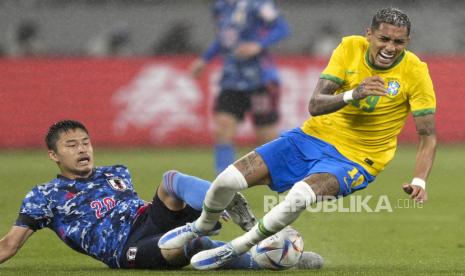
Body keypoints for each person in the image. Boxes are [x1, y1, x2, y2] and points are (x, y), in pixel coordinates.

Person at [159, 7, 437, 270]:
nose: (390, 47)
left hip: (358, 158)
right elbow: (315, 105)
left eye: (399, 42)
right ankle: (202, 226)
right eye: (384, 39)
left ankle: (235, 248)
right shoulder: (351, 47)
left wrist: (419, 180)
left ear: (407, 41)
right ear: (369, 34)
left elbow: (427, 136)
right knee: (227, 180)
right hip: (310, 137)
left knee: (300, 195)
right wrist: (355, 93)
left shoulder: (415, 72)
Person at [0, 120, 321, 270]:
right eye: (71, 146)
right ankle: (269, 257)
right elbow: (9, 245)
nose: (82, 149)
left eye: (85, 142)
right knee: (191, 246)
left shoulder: (115, 172)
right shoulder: (43, 196)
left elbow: (143, 205)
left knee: (170, 180)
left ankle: (228, 214)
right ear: (53, 156)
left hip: (148, 217)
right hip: (126, 248)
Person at [190, 0, 290, 175]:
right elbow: (224, 38)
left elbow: (282, 28)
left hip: (260, 80)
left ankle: (283, 170)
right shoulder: (220, 7)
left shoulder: (258, 5)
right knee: (223, 127)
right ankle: (223, 179)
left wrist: (259, 44)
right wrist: (205, 59)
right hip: (232, 79)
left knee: (265, 135)